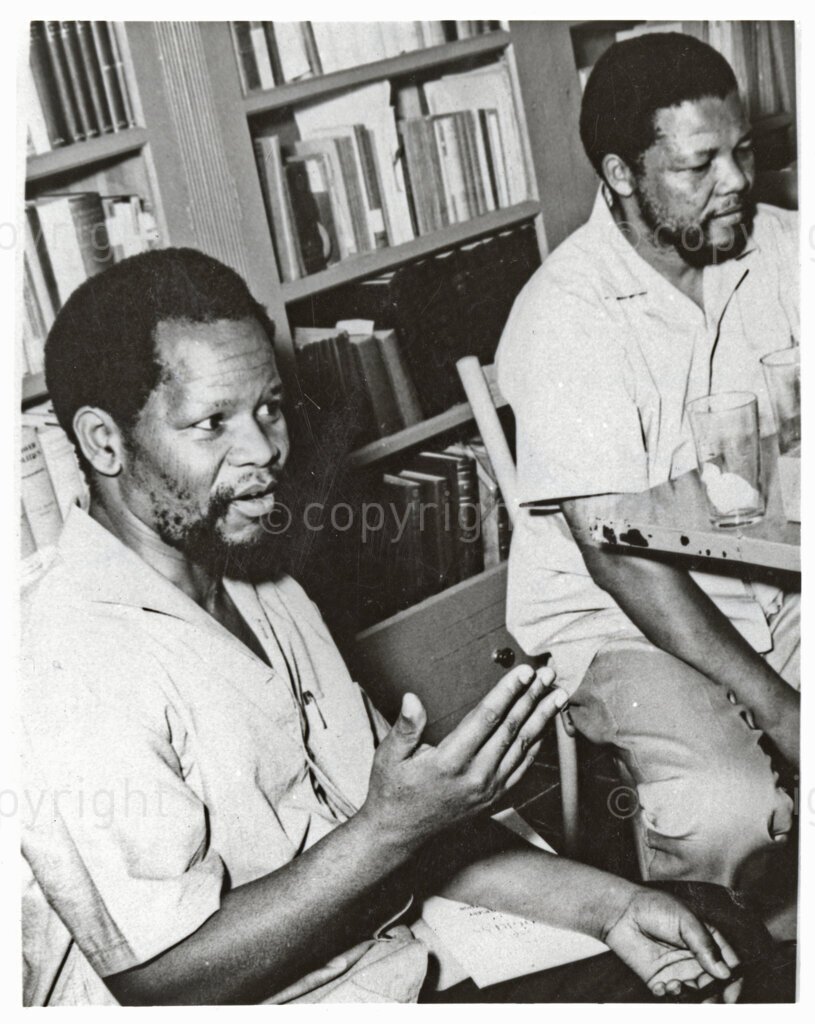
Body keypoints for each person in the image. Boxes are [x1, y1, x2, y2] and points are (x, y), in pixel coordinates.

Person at [20, 247, 747, 1005]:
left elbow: (408, 831)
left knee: (716, 931)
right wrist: (391, 828)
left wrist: (616, 909)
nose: (265, 450)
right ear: (104, 443)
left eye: (269, 408)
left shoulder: (258, 575)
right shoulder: (65, 662)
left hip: (403, 963)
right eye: (212, 424)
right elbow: (160, 985)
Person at [496, 32, 799, 893]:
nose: (736, 181)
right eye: (699, 166)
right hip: (622, 623)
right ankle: (719, 962)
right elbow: (618, 559)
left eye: (740, 152)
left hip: (781, 584)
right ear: (622, 175)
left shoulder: (782, 248)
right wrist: (780, 709)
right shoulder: (566, 316)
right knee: (725, 803)